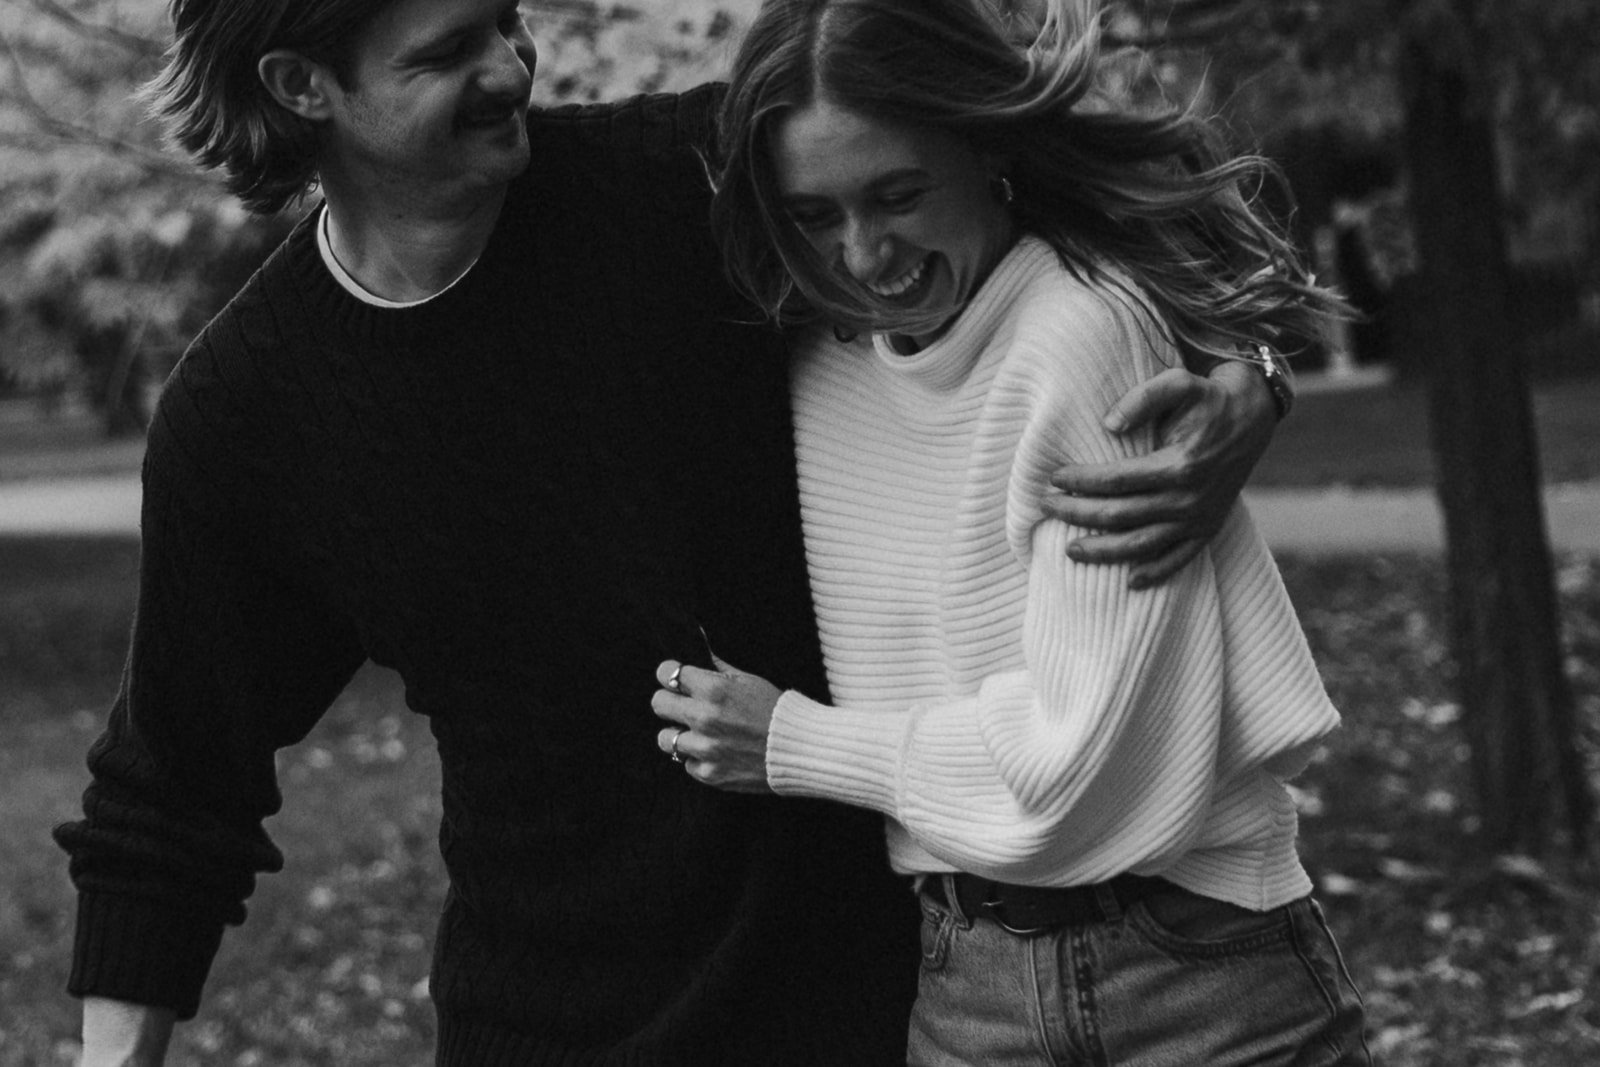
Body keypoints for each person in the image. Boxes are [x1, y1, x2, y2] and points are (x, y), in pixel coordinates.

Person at [54, 0, 1285, 1063]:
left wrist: (1247, 377)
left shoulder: (690, 180)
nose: (510, 67)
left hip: (879, 989)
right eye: (445, 52)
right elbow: (175, 780)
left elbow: (1048, 188)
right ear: (300, 85)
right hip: (547, 1018)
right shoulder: (250, 415)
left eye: (505, 23)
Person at [651, 0, 1373, 1064]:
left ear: (985, 147)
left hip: (1197, 982)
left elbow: (1071, 766)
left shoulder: (1078, 329)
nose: (864, 254)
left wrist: (792, 741)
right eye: (814, 215)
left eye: (898, 195)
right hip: (965, 984)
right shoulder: (809, 351)